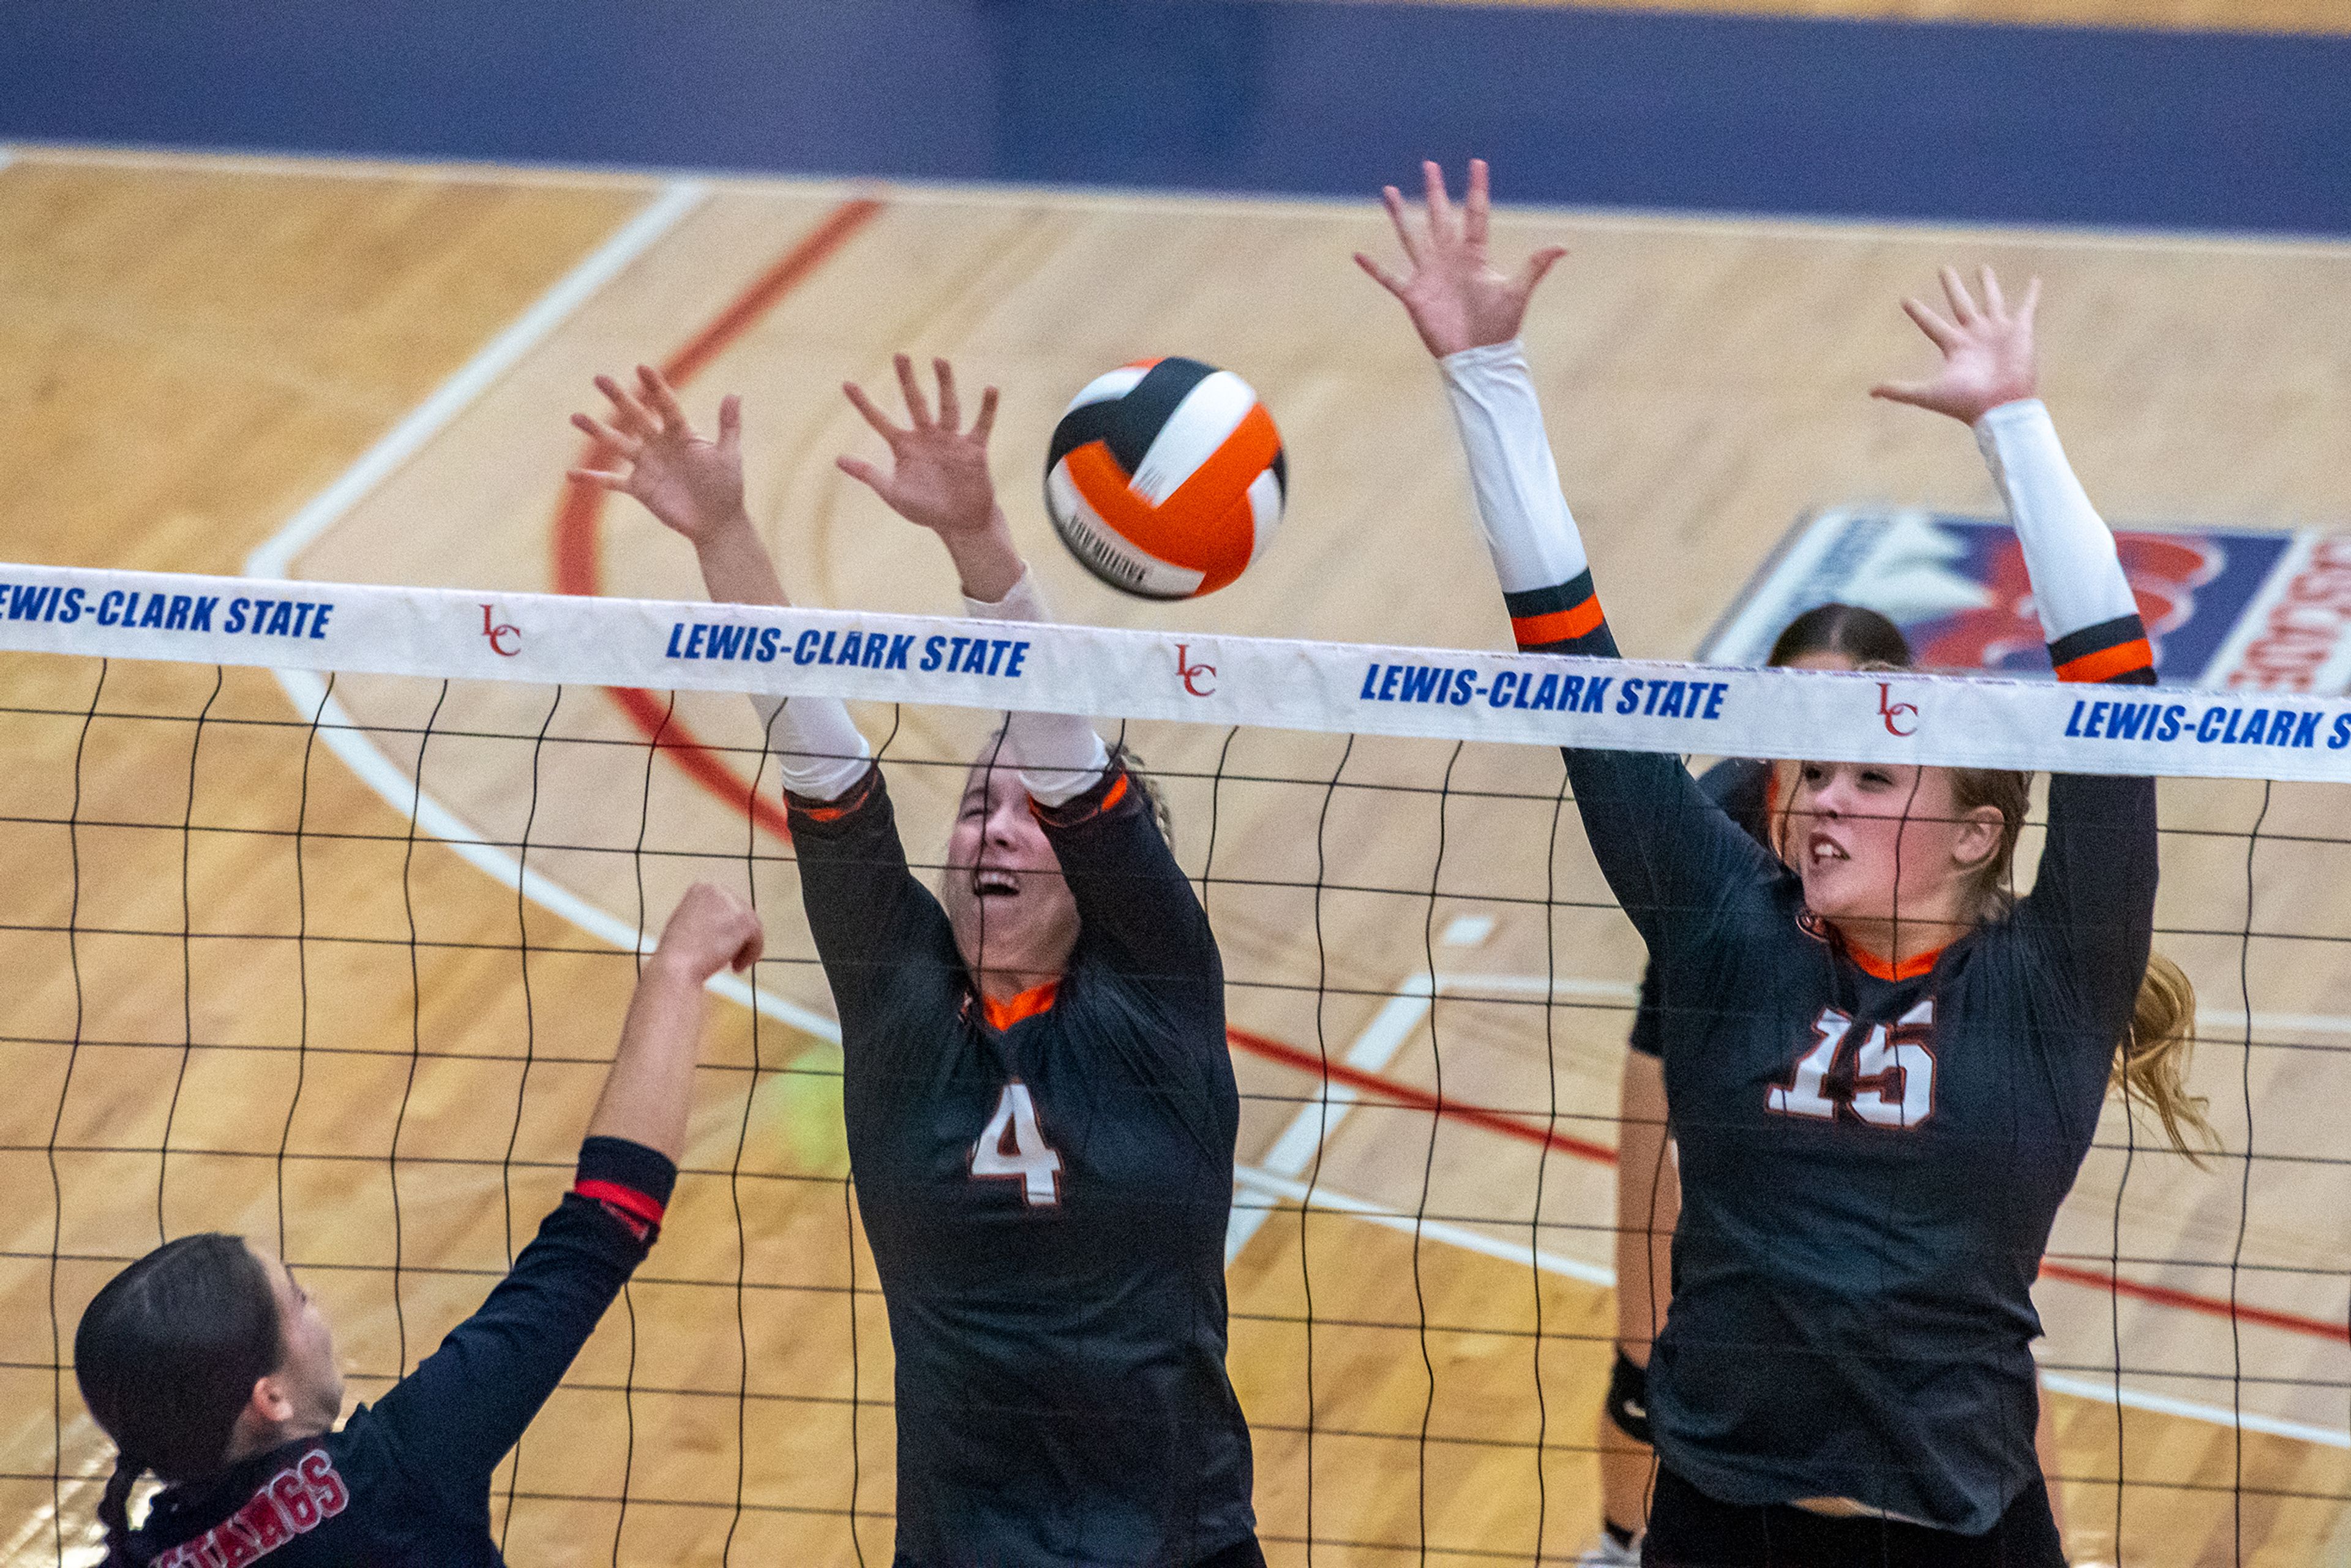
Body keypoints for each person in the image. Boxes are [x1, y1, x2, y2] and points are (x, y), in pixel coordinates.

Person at [1362, 160, 2211, 1566]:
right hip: (1717, 1521)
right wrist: (1487, 375)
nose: (1817, 798)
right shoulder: (1725, 925)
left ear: (1977, 833)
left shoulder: (2049, 979)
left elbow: (2111, 676)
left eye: (1871, 776)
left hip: (1949, 1528)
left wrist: (2013, 422)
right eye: (1810, 770)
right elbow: (1569, 654)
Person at [568, 358, 1259, 1567]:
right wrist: (725, 532)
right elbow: (820, 751)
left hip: (1179, 1546)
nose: (987, 826)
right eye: (970, 809)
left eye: (1025, 812)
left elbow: (1060, 739)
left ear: (1094, 865)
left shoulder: (1157, 1000)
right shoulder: (903, 1009)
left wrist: (983, 539)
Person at [74, 883, 764, 1567]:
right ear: (270, 1397)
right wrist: (677, 968)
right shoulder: (397, 1474)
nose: (317, 1308)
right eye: (298, 1299)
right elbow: (605, 1223)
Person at [1593, 603, 1913, 1567]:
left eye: (1847, 709)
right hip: (1705, 1032)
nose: (1819, 735)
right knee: (1649, 1349)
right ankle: (1617, 1547)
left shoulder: (1932, 801)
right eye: (1798, 706)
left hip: (1881, 1038)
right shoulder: (1730, 802)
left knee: (1956, 1345)